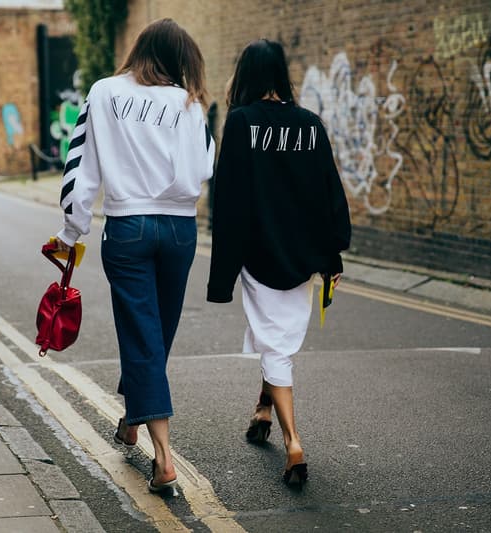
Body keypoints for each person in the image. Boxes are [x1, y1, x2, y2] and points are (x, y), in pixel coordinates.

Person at [54, 18, 215, 493]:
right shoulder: (188, 103)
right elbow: (205, 165)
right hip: (180, 228)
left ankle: (163, 457)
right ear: (180, 59)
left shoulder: (104, 92)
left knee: (145, 336)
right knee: (156, 333)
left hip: (128, 227)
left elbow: (80, 165)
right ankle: (132, 421)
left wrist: (71, 230)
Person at [207, 39, 351, 487]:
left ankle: (293, 445)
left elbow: (227, 204)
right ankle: (263, 409)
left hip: (260, 254)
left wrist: (222, 274)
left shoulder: (242, 122)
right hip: (303, 256)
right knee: (277, 338)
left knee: (275, 345)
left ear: (246, 75)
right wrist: (332, 255)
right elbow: (331, 194)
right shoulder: (311, 125)